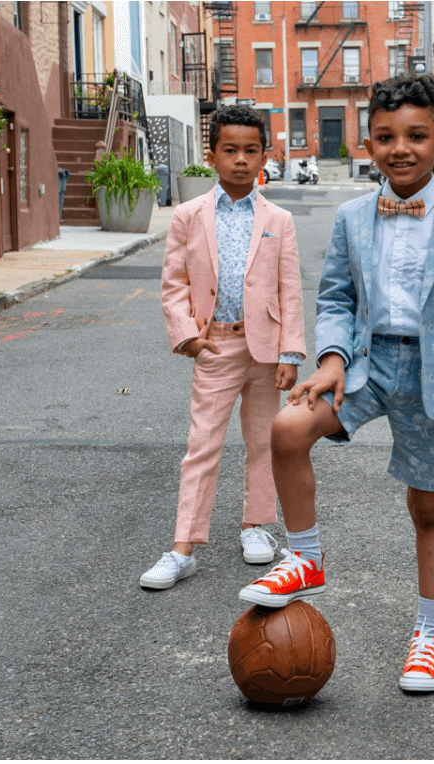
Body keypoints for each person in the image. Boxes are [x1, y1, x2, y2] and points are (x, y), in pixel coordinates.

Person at [237, 75, 434, 693]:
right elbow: (335, 297)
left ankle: (428, 634)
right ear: (367, 142)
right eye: (385, 137)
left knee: (426, 505)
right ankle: (305, 557)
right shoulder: (353, 216)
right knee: (289, 426)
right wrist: (330, 358)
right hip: (365, 362)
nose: (399, 148)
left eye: (416, 135)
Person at [141, 105, 305, 590]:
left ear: (263, 156)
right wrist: (188, 337)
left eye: (250, 151)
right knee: (202, 446)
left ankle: (256, 526)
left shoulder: (279, 218)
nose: (240, 160)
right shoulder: (189, 216)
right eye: (230, 150)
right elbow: (173, 283)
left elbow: (289, 288)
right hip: (215, 345)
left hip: (266, 350)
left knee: (263, 443)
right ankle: (182, 548)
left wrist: (291, 353)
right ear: (211, 155)